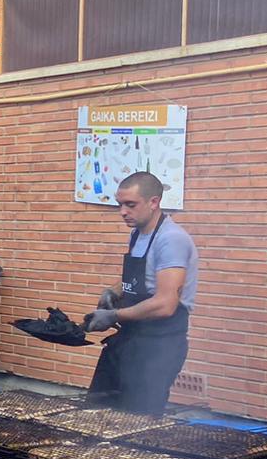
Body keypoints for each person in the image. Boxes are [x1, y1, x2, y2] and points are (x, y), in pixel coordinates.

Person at [83, 171, 199, 415]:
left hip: (158, 346)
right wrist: (113, 291)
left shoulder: (171, 239)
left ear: (154, 202)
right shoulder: (137, 233)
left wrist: (114, 315)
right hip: (130, 338)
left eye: (130, 204)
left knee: (138, 420)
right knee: (96, 411)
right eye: (120, 204)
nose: (123, 211)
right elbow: (144, 275)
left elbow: (166, 304)